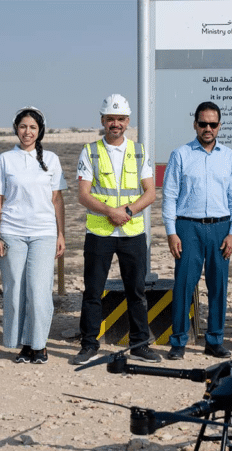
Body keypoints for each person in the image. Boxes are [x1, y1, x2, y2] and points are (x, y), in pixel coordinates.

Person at [73, 94, 159, 364]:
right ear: (102, 120)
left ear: (128, 121)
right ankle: (89, 345)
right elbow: (83, 195)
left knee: (136, 292)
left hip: (132, 233)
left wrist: (128, 212)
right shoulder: (90, 151)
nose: (115, 124)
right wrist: (111, 212)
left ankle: (140, 345)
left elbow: (150, 193)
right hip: (100, 232)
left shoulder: (139, 151)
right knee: (93, 292)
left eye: (120, 119)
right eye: (110, 118)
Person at [162, 101, 232, 360]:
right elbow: (169, 196)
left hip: (221, 228)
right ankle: (178, 341)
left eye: (213, 124)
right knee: (184, 285)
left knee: (218, 285)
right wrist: (171, 232)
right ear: (195, 124)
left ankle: (214, 340)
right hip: (188, 227)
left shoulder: (229, 157)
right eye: (203, 123)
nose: (208, 128)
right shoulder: (181, 155)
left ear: (219, 126)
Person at [0, 106, 66, 364]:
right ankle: (24, 344)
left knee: (38, 291)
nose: (27, 132)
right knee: (15, 291)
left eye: (33, 127)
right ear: (16, 129)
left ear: (40, 130)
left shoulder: (51, 159)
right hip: (12, 233)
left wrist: (61, 233)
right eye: (23, 127)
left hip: (44, 233)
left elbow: (57, 199)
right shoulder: (5, 159)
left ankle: (40, 345)